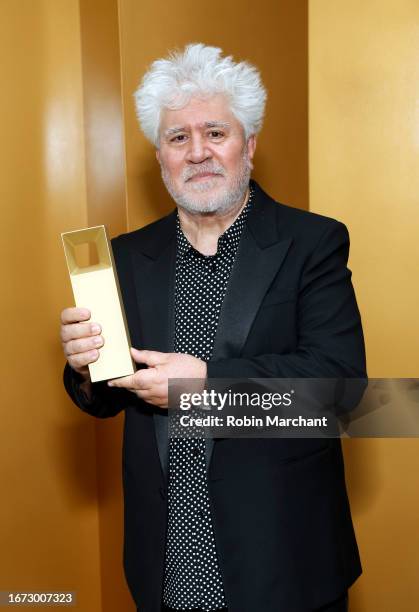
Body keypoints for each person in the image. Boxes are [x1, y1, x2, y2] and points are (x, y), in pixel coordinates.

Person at [61, 44, 366, 612]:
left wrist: (205, 382)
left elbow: (343, 394)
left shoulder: (313, 244)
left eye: (215, 133)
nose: (197, 153)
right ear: (160, 156)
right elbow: (104, 397)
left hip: (284, 562)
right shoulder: (125, 255)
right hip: (166, 558)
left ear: (248, 145)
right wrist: (84, 366)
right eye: (179, 138)